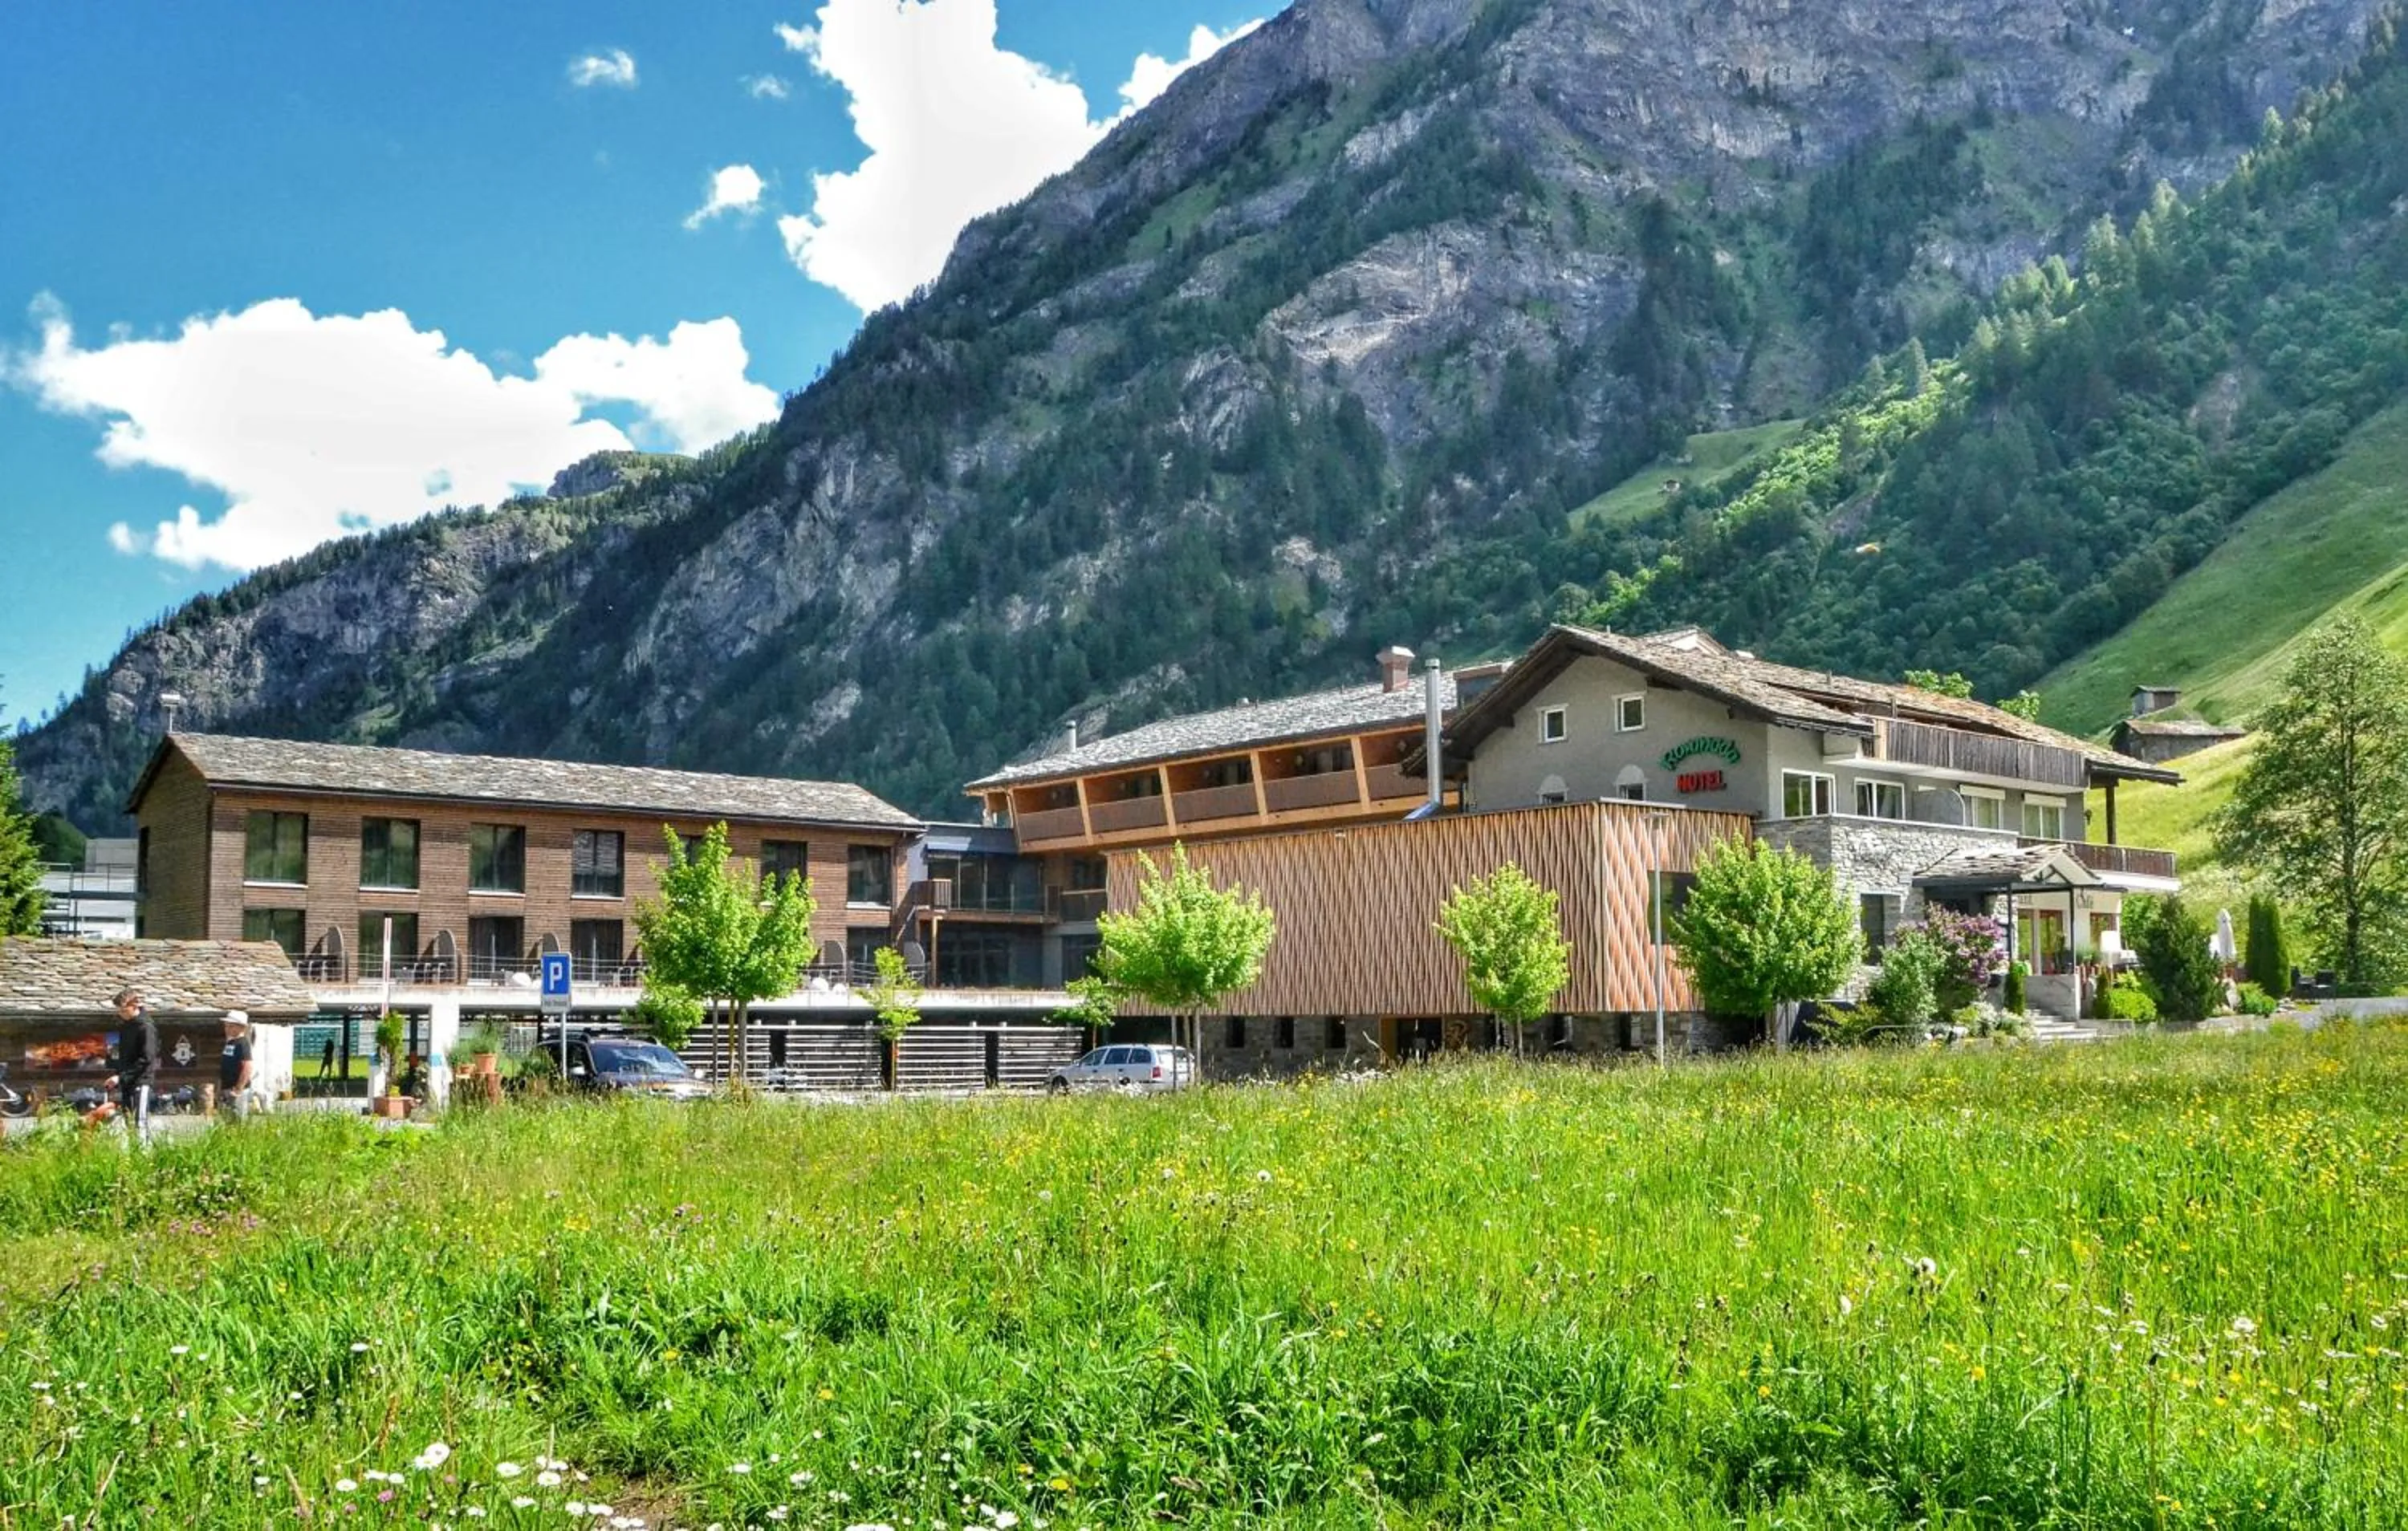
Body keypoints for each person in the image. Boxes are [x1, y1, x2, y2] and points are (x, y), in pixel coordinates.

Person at [101, 987, 159, 1147]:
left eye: (124, 1010)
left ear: (135, 1005)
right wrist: (118, 1075)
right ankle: (134, 1153)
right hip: (126, 1080)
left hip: (141, 1080)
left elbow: (147, 1058)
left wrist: (121, 1077)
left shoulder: (146, 1027)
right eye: (119, 1011)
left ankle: (143, 1156)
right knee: (128, 1120)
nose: (121, 1014)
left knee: (139, 1120)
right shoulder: (126, 1026)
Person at [219, 1011, 260, 1121]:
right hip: (227, 1088)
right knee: (228, 1119)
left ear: (241, 1027)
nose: (227, 1029)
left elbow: (247, 1066)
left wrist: (238, 1090)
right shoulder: (230, 1043)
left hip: (236, 1090)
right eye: (226, 1026)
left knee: (238, 1120)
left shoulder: (243, 1043)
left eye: (231, 1026)